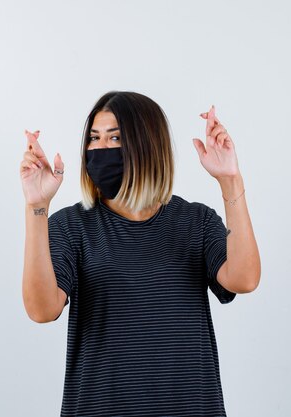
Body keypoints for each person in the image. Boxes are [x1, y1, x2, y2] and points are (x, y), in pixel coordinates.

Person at [20, 91, 261, 417]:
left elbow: (244, 279)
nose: (100, 148)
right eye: (94, 138)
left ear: (146, 144)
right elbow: (42, 310)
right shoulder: (71, 226)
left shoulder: (196, 222)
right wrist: (37, 207)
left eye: (115, 137)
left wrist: (230, 180)